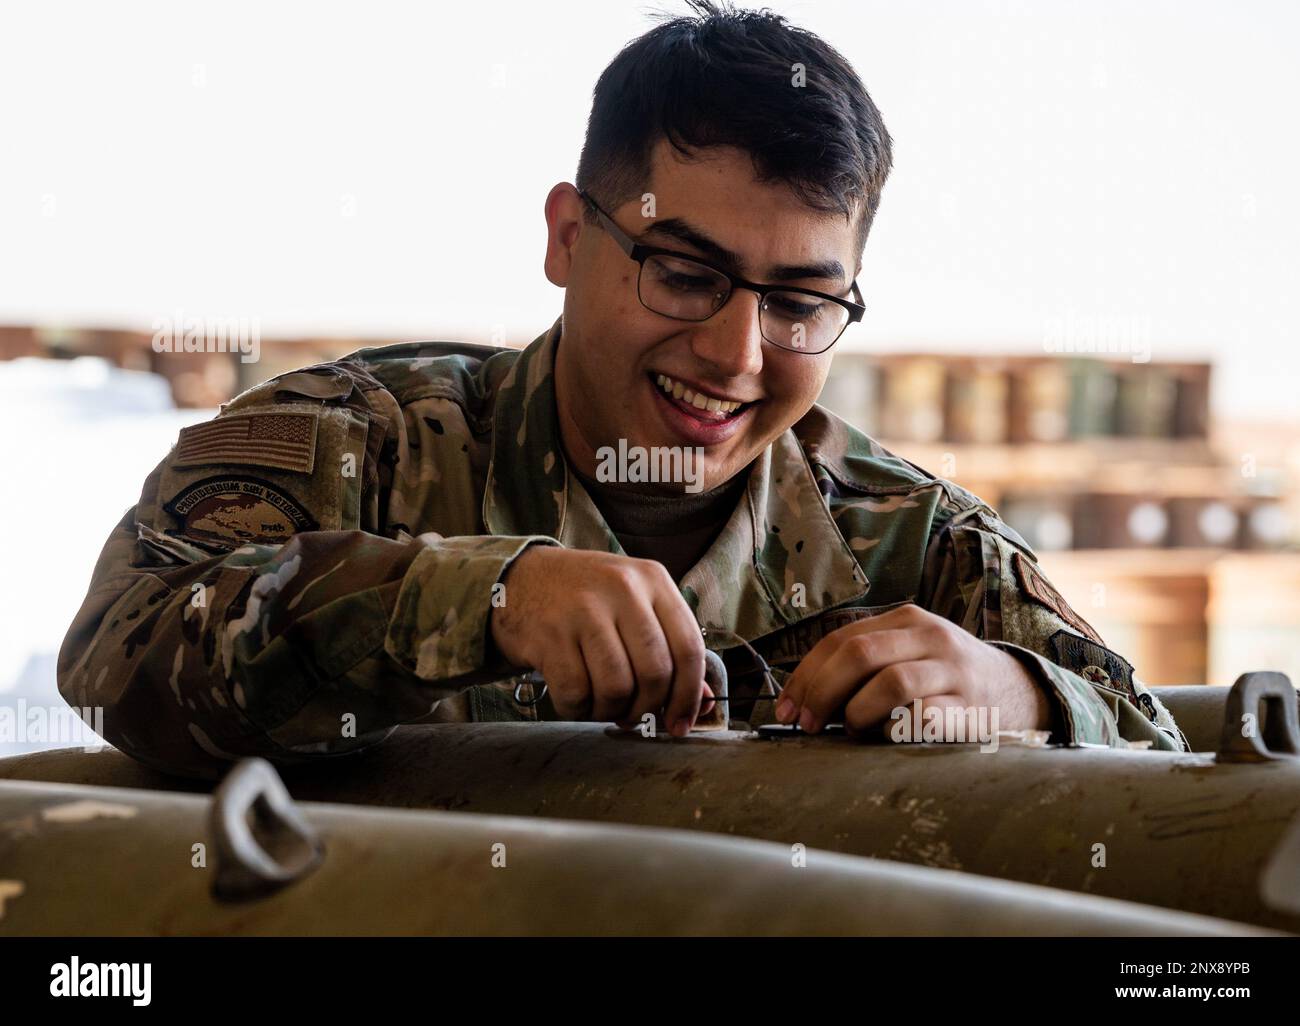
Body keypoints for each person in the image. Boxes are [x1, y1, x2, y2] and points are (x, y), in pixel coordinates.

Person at [57, 1, 1185, 779]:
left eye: (800, 303)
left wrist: (1028, 700)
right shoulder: (359, 446)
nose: (738, 355)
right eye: (684, 274)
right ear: (566, 236)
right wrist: (476, 599)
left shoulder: (919, 546)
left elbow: (1177, 785)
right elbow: (116, 661)